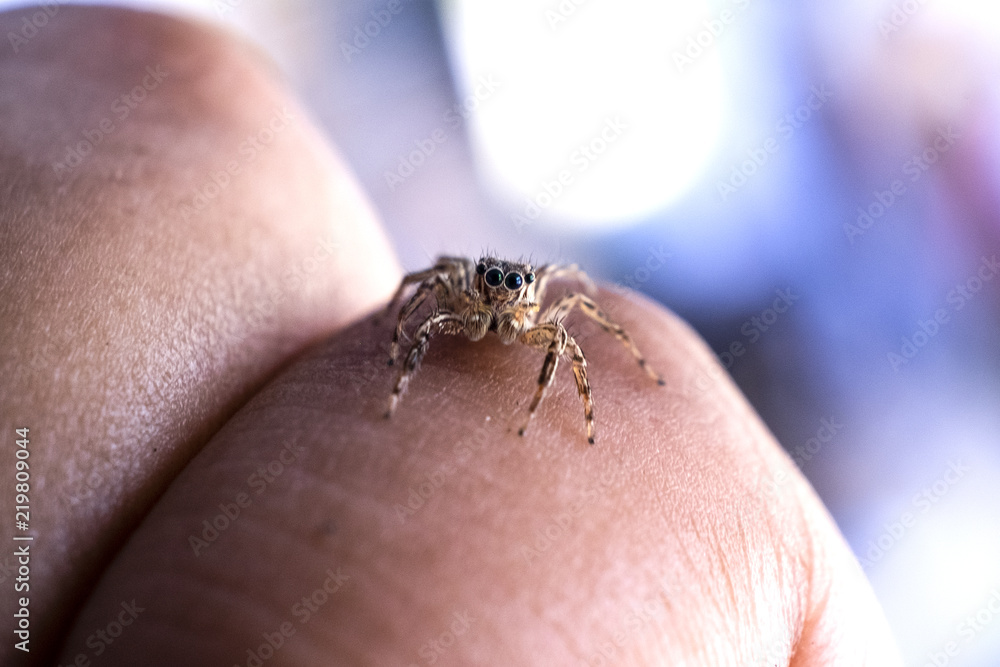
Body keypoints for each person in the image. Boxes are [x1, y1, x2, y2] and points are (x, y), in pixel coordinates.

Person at [0, 6, 901, 665]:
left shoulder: (546, 305)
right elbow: (418, 287)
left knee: (589, 324)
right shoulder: (463, 291)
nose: (510, 306)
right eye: (500, 291)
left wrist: (586, 410)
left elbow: (584, 325)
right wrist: (393, 358)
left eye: (518, 295)